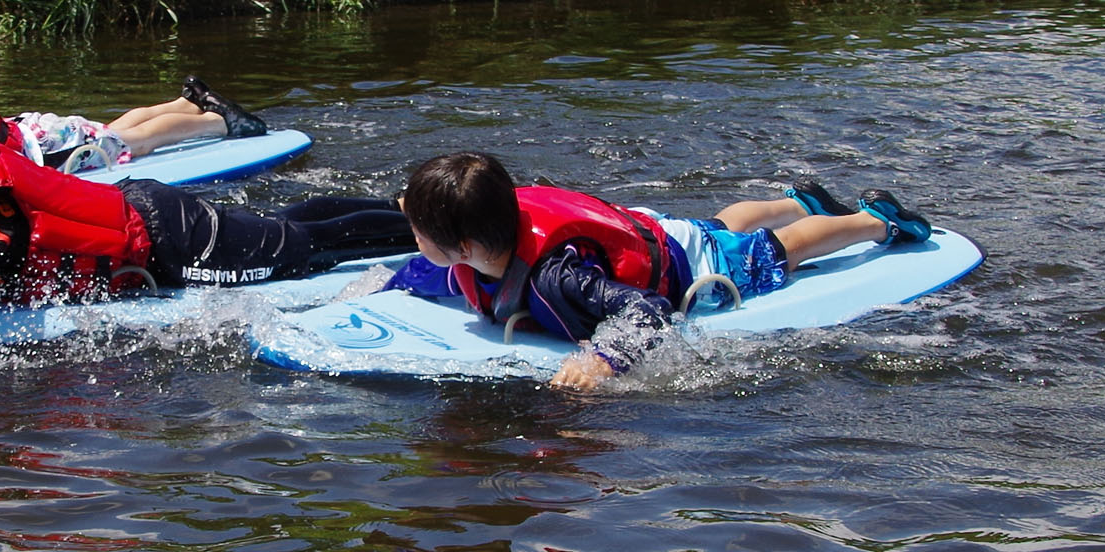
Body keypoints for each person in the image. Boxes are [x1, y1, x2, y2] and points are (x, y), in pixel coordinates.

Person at [365, 149, 938, 390]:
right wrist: (371, 288)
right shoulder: (473, 253)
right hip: (649, 230)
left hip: (685, 265)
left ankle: (874, 221)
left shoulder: (558, 278)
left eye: (418, 229)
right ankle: (803, 197)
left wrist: (602, 358)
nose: (410, 235)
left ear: (463, 244)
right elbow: (424, 273)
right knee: (717, 223)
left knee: (768, 253)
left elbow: (648, 309)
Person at [0, 124, 411, 337]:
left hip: (171, 241)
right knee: (284, 230)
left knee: (306, 252)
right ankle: (407, 210)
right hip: (152, 213)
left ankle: (417, 224)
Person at [0, 29, 268, 173]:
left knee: (134, 143)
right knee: (113, 128)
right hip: (37, 133)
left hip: (46, 152)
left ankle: (217, 121)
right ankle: (187, 101)